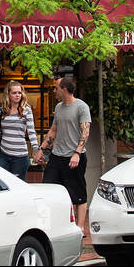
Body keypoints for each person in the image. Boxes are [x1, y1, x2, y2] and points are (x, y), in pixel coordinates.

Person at [37, 75, 92, 240]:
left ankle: (80, 228)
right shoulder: (59, 108)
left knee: (78, 194)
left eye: (56, 88)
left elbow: (85, 131)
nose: (54, 91)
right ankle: (52, 226)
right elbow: (53, 130)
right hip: (57, 156)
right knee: (48, 189)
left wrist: (77, 153)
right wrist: (42, 148)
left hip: (74, 157)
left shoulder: (81, 107)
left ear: (64, 89)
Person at [0, 81, 39, 180]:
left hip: (20, 157)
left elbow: (31, 132)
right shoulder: (2, 110)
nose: (17, 95)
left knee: (17, 186)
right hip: (3, 155)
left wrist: (36, 150)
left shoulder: (26, 110)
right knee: (1, 183)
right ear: (8, 94)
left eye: (19, 92)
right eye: (14, 93)